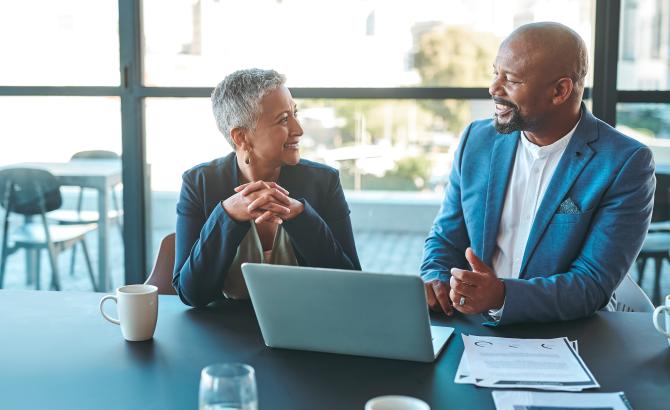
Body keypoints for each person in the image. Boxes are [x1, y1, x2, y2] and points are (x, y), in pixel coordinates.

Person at [421, 22, 655, 325]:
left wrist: (502, 296)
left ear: (560, 91)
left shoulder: (625, 163)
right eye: (495, 73)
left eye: (512, 80)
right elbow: (445, 238)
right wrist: (435, 279)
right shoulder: (476, 141)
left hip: (568, 337)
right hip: (472, 326)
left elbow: (592, 284)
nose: (494, 88)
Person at [173, 68, 361, 307]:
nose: (298, 129)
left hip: (311, 324)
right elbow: (191, 294)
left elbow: (351, 282)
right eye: (283, 119)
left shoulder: (324, 182)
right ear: (241, 137)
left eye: (295, 113)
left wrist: (302, 216)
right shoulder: (198, 183)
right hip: (227, 334)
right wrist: (226, 216)